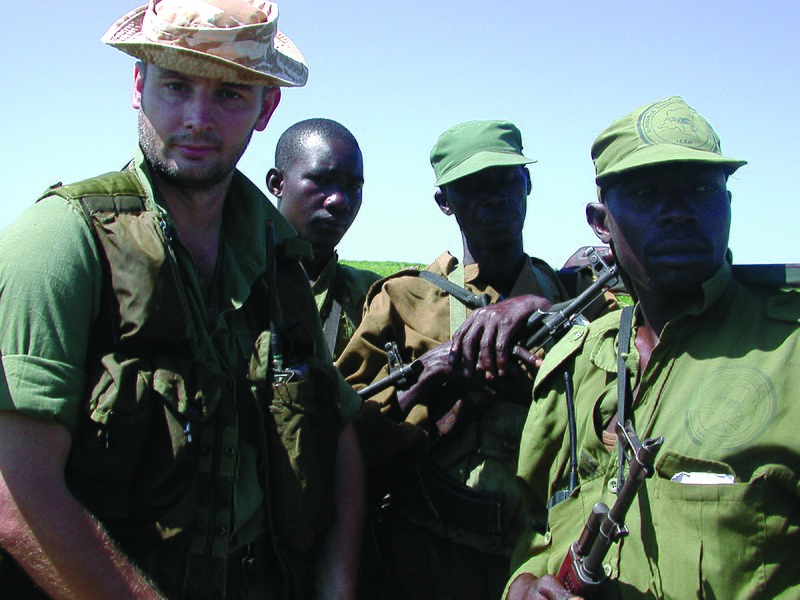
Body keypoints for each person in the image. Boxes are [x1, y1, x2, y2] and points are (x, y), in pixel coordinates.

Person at [0, 1, 364, 598]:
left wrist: (334, 587)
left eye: (229, 94)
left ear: (266, 107)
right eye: (175, 85)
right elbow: (16, 494)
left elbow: (338, 430)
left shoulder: (280, 259)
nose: (198, 118)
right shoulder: (64, 242)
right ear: (138, 85)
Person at [505, 96, 800, 599]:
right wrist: (525, 585)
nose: (680, 212)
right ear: (600, 221)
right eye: (646, 192)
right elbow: (535, 523)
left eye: (703, 188)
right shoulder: (575, 361)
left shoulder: (787, 351)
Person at [336, 120, 570, 600]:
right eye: (472, 187)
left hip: (540, 558)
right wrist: (426, 379)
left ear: (528, 184)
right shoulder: (405, 300)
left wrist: (538, 306)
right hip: (427, 563)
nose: (494, 198)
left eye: (506, 180)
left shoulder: (570, 295)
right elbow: (343, 439)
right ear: (445, 202)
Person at [268, 118, 381, 360]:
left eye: (353, 186)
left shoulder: (375, 298)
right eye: (322, 180)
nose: (339, 201)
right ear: (277, 183)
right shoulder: (230, 282)